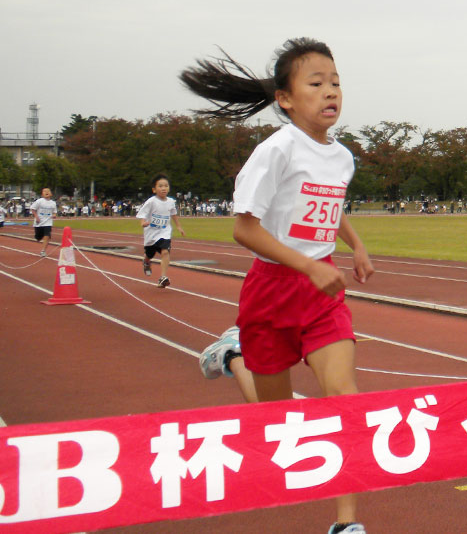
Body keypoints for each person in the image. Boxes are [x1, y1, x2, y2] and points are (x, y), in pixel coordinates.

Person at [185, 38, 373, 534]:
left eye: (336, 82)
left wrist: (354, 244)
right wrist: (306, 266)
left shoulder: (342, 157)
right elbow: (244, 228)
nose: (331, 91)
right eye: (316, 83)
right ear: (285, 98)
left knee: (344, 399)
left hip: (322, 295)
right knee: (278, 421)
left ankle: (347, 524)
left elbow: (327, 207)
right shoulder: (276, 150)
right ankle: (234, 356)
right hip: (272, 290)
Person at [136, 174, 185, 288]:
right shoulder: (151, 202)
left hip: (164, 231)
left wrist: (178, 226)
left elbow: (173, 214)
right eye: (160, 186)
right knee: (149, 254)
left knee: (165, 251)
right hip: (151, 233)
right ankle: (146, 261)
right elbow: (143, 214)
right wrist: (143, 223)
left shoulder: (171, 202)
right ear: (154, 189)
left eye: (166, 186)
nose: (164, 188)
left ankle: (163, 277)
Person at [30, 188, 58, 257]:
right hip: (39, 222)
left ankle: (43, 251)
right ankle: (38, 237)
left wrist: (54, 215)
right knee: (38, 237)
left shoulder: (53, 203)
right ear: (42, 194)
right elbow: (33, 209)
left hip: (48, 222)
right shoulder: (39, 201)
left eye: (48, 191)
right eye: (45, 191)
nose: (46, 192)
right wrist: (36, 217)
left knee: (47, 235)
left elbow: (54, 212)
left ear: (51, 193)